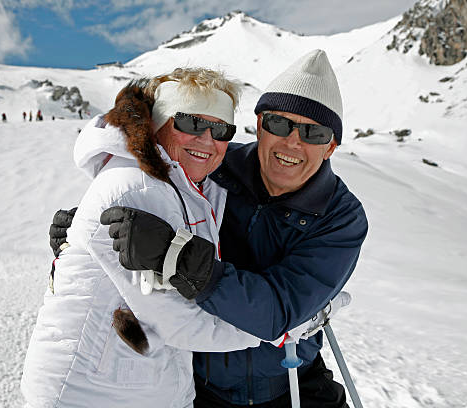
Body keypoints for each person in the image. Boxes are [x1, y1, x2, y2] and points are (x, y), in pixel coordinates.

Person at [77, 49, 368, 407]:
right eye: (279, 124)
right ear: (259, 126)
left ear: (331, 147)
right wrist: (93, 226)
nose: (293, 142)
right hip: (200, 382)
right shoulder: (216, 166)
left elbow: (278, 311)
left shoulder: (340, 216)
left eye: (314, 132)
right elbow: (157, 195)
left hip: (288, 379)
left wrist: (178, 257)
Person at [23, 68, 326, 408]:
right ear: (157, 124)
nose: (208, 139)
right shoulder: (138, 188)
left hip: (133, 382)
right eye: (192, 124)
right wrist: (280, 326)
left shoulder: (188, 184)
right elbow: (183, 323)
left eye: (221, 129)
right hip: (90, 391)